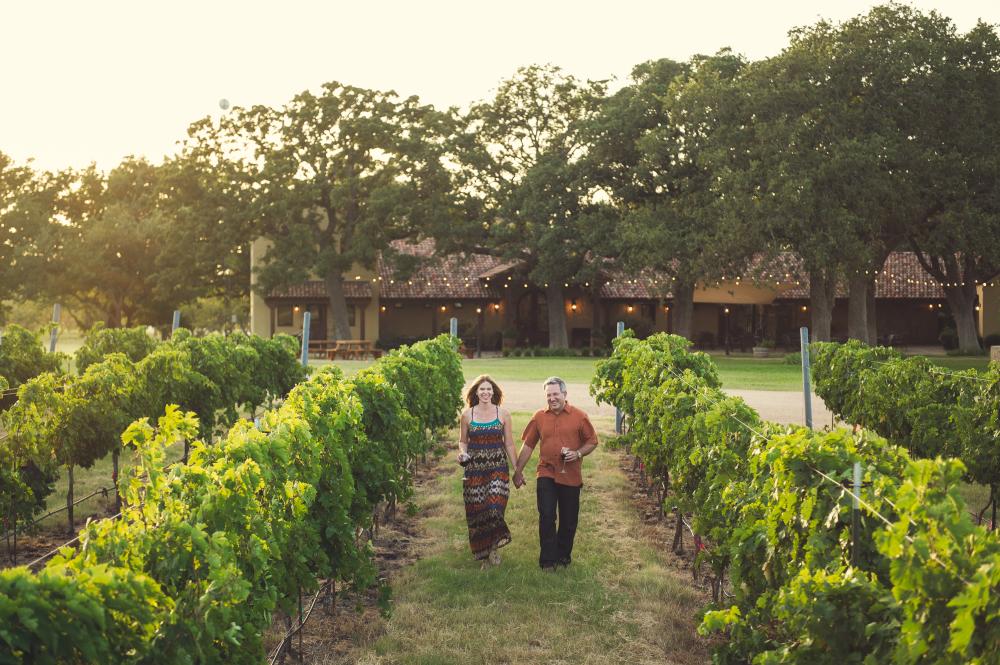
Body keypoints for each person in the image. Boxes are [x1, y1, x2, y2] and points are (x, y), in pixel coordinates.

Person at [513, 376, 599, 570]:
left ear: (564, 394)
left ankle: (563, 556)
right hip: (547, 471)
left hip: (571, 474)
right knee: (546, 515)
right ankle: (548, 561)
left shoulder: (580, 416)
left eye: (555, 394)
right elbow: (528, 445)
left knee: (569, 520)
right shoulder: (539, 417)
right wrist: (518, 471)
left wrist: (577, 453)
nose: (552, 398)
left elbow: (592, 441)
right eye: (548, 395)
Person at [457, 374, 517, 568]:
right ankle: (485, 555)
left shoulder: (503, 414)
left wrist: (517, 469)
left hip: (498, 468)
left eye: (489, 389)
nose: (485, 392)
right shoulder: (467, 415)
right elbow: (463, 441)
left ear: (494, 392)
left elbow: (508, 443)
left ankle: (493, 549)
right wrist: (462, 453)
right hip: (474, 470)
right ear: (476, 392)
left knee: (494, 509)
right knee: (478, 512)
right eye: (481, 389)